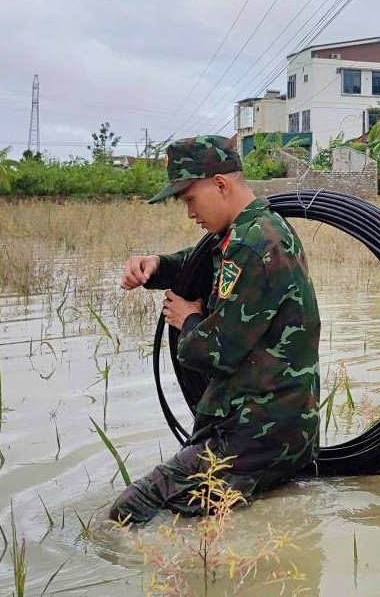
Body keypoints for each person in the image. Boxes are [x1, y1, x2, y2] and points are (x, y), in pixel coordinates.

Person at [108, 135, 320, 524]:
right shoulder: (257, 230)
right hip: (278, 431)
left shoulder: (251, 246)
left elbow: (215, 354)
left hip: (251, 436)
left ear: (220, 184)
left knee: (129, 510)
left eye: (190, 199)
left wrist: (187, 319)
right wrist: (157, 265)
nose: (190, 213)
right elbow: (201, 261)